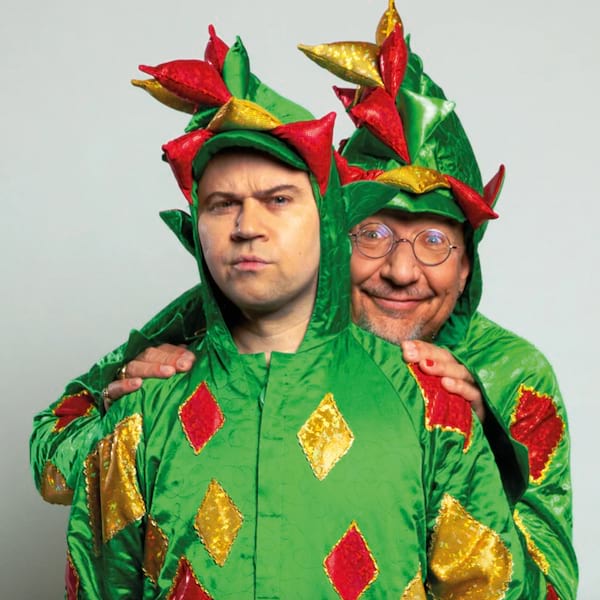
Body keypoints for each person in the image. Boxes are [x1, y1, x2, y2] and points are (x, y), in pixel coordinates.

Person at [45, 26, 545, 599]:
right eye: (222, 204)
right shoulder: (144, 410)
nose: (247, 226)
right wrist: (112, 393)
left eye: (278, 200)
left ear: (326, 220)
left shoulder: (435, 405)